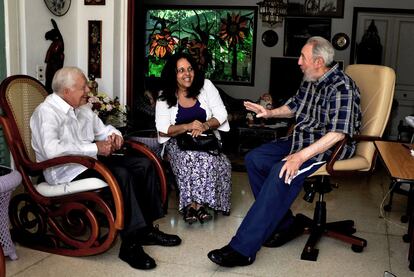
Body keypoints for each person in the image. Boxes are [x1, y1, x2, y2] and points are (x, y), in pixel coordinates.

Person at [207, 36, 362, 267]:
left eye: (303, 57)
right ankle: (284, 224)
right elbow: (294, 106)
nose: (299, 61)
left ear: (319, 61)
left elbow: (338, 134)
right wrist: (269, 113)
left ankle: (242, 249)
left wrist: (299, 157)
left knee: (282, 171)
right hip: (301, 139)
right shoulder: (310, 79)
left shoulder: (342, 86)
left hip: (329, 147)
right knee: (255, 159)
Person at [30, 67, 181, 270]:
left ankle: (145, 229)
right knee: (122, 174)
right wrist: (94, 148)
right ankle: (130, 244)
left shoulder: (81, 107)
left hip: (88, 162)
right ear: (66, 91)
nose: (88, 91)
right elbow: (51, 150)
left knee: (144, 164)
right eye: (82, 87)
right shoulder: (46, 112)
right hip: (64, 171)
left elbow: (102, 130)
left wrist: (114, 136)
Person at [155, 52, 232, 224]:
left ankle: (199, 205)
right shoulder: (164, 95)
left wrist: (204, 125)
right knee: (188, 157)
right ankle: (192, 205)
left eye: (189, 69)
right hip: (177, 142)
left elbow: (222, 114)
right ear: (173, 74)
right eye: (181, 70)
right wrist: (187, 126)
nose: (187, 74)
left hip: (205, 138)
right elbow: (162, 129)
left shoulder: (206, 86)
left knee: (210, 158)